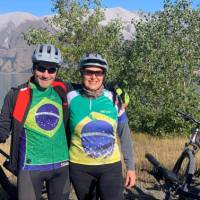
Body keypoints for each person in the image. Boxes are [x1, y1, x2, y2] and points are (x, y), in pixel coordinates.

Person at [0, 44, 70, 200]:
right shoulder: (16, 95)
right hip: (30, 167)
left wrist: (118, 94)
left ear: (57, 71)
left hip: (62, 166)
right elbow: (3, 128)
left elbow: (90, 88)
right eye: (41, 68)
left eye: (51, 70)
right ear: (33, 68)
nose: (45, 75)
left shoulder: (63, 90)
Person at [67, 53, 136, 200]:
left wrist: (131, 168)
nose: (93, 77)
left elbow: (124, 135)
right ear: (82, 73)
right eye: (88, 72)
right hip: (79, 167)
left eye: (98, 72)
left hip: (110, 167)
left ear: (104, 75)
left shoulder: (114, 99)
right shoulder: (71, 96)